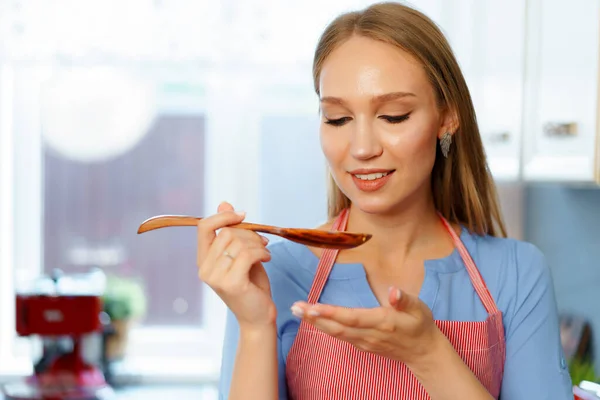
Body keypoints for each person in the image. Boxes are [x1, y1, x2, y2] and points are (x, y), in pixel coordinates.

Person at [197, 2, 574, 399]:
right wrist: (255, 326)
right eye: (338, 119)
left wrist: (429, 353)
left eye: (393, 116)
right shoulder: (272, 276)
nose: (361, 148)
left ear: (447, 117)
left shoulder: (516, 275)